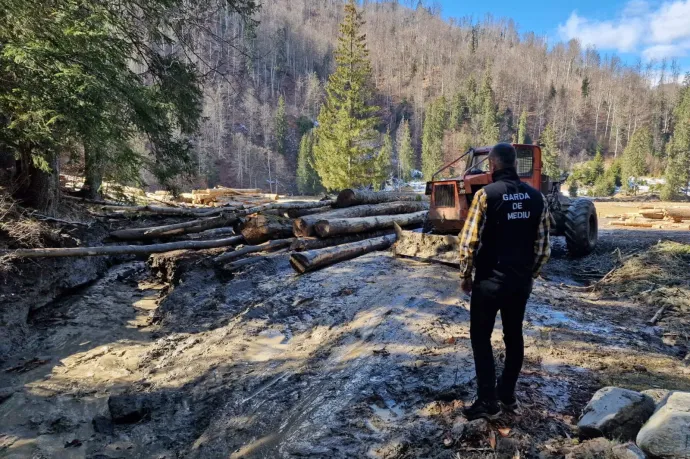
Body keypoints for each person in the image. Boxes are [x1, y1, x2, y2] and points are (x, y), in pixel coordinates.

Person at [458, 143, 551, 420]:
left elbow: (468, 241)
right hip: (519, 283)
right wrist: (529, 275)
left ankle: (488, 401)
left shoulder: (486, 195)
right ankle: (507, 394)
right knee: (514, 336)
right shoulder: (537, 198)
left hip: (489, 283)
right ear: (514, 165)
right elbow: (543, 248)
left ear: (492, 166)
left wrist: (465, 275)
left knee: (480, 338)